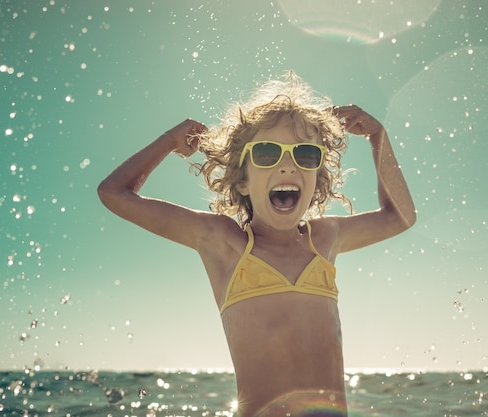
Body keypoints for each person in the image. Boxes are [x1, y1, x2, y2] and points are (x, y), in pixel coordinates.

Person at [97, 72, 416, 417]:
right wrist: (168, 141)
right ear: (243, 181)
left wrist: (378, 136)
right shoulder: (223, 242)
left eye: (305, 155)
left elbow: (400, 217)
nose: (286, 166)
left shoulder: (324, 239)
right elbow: (113, 193)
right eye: (267, 153)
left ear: (317, 177)